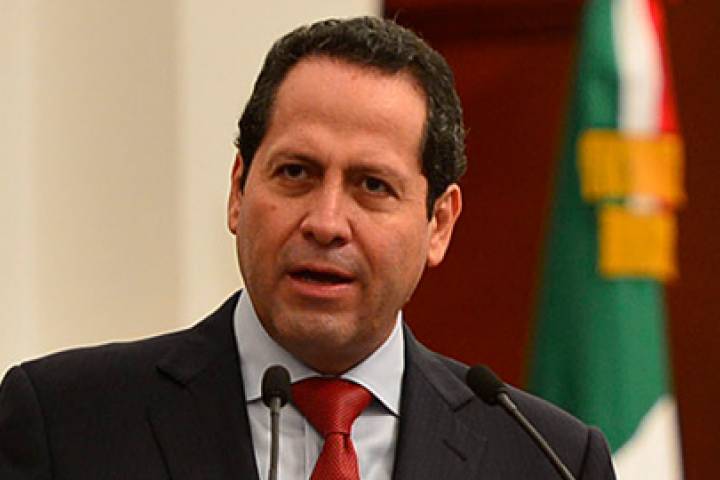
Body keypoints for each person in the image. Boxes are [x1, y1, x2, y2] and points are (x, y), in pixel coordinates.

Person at [0, 16, 615, 479]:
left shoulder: (548, 459)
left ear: (439, 224)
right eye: (295, 173)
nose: (326, 223)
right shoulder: (66, 422)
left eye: (372, 186)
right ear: (238, 191)